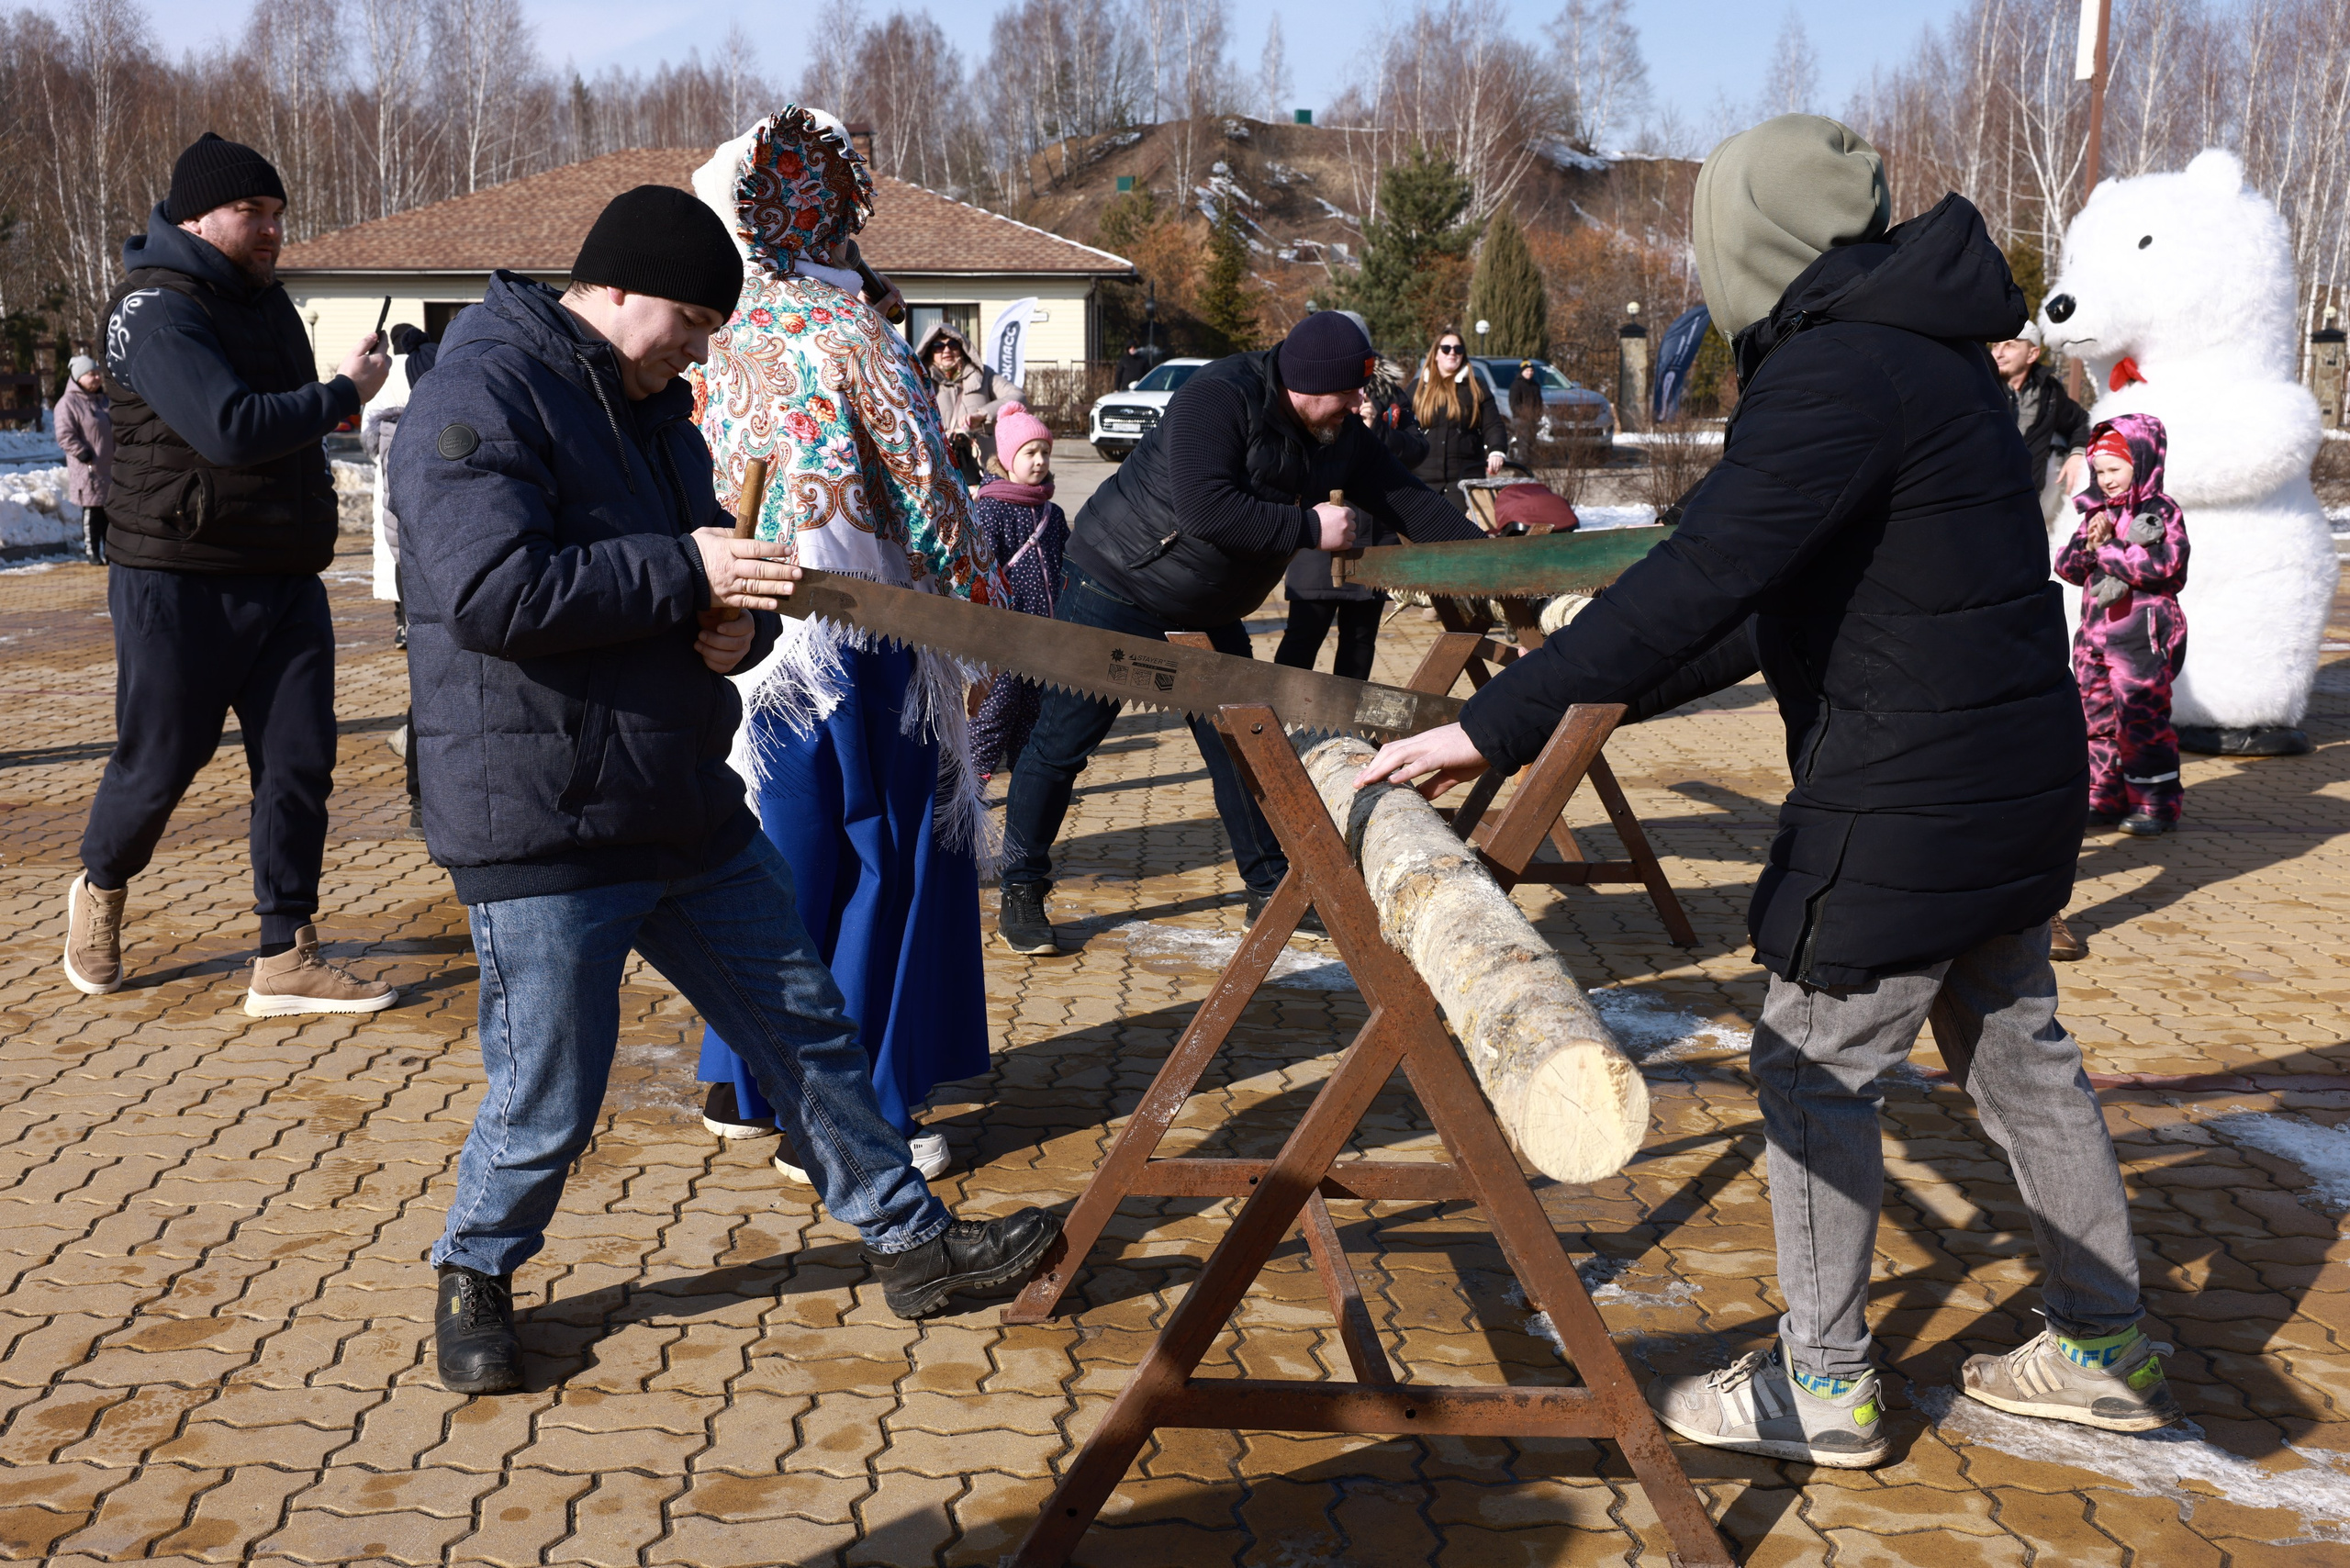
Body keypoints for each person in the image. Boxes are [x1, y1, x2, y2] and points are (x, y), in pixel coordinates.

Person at [1356, 115, 2179, 1467]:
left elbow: (1699, 579)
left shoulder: (1838, 374)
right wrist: (1586, 712)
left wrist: (1493, 727)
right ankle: (2104, 1343)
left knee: (1809, 1068)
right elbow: (1769, 601)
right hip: (2001, 768)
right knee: (2018, 1051)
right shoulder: (1926, 358)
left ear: (1753, 243)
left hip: (1909, 790)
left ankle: (1826, 1384)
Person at [391, 182, 1057, 1392]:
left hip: (678, 796)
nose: (703, 349)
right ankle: (475, 1271)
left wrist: (731, 635)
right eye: (693, 321)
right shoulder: (479, 396)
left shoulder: (652, 411)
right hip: (542, 812)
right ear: (620, 289)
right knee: (550, 1088)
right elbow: (492, 595)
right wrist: (677, 570)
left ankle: (912, 1247)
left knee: (805, 1024)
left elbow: (714, 572)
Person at [682, 108, 1006, 1187]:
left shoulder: (720, 331)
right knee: (879, 861)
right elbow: (931, 500)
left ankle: (741, 1086)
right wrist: (986, 624)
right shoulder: (853, 331)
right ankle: (846, 1112)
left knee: (772, 865)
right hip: (858, 639)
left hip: (741, 637)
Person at [994, 311, 1484, 955]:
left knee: (1244, 747)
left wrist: (1498, 567)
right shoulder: (1219, 396)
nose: (1359, 404)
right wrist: (1310, 529)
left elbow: (1411, 501)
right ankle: (1022, 885)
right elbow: (1206, 506)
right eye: (1350, 391)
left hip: (1206, 606)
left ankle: (1269, 890)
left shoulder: (1336, 433)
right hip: (1118, 582)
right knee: (1063, 742)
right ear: (1311, 385)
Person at [62, 132, 398, 1017]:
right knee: (160, 761)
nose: (271, 230)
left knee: (298, 764)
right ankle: (100, 886)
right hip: (179, 577)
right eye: (252, 212)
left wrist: (329, 409)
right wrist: (342, 394)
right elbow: (230, 427)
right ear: (195, 215)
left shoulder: (268, 305)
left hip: (283, 574)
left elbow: (281, 432)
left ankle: (284, 950)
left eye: (278, 215)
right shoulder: (151, 308)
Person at [2056, 415, 2189, 838]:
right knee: (2094, 718)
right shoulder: (2096, 512)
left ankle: (2156, 802)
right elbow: (2068, 569)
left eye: (2115, 469)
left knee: (2140, 717)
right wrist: (2087, 542)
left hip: (2141, 637)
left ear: (2142, 462)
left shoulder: (2161, 511)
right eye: (2099, 472)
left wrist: (2111, 547)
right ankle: (2104, 793)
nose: (2107, 480)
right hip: (2094, 638)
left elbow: (2165, 565)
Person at [1276, 357, 1425, 681]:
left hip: (1373, 541)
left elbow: (1417, 450)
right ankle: (1271, 720)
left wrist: (1377, 432)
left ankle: (1346, 726)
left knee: (1360, 641)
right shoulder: (1311, 391)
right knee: (1303, 637)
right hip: (1318, 542)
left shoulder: (1391, 393)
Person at [968, 401, 1069, 777]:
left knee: (1034, 714)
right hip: (1005, 635)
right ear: (1008, 459)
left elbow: (1065, 566)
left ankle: (1026, 785)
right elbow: (981, 568)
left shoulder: (1051, 513)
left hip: (1046, 636)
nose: (1040, 460)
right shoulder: (992, 508)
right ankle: (970, 786)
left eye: (1045, 452)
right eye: (1030, 453)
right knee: (995, 711)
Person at [1990, 325, 2089, 526]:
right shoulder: (1979, 385)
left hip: (2027, 506)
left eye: (2010, 345)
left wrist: (2077, 454)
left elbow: (2082, 421)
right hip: (1981, 503)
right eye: (1995, 344)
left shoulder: (2050, 392)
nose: (1998, 353)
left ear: (2032, 354)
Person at [1406, 328, 1511, 512]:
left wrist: (1496, 450)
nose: (1452, 352)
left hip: (1464, 478)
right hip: (1421, 479)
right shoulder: (1417, 388)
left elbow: (1493, 424)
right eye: (1446, 348)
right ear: (1436, 354)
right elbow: (1400, 428)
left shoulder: (1476, 387)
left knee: (1456, 536)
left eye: (1458, 349)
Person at [915, 321, 1019, 486]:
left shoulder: (983, 375)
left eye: (952, 344)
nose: (946, 350)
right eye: (938, 346)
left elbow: (1017, 396)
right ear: (929, 351)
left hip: (985, 470)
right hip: (939, 471)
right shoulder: (920, 381)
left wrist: (983, 414)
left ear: (962, 347)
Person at [55, 354, 112, 565]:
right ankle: (92, 551)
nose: (97, 378)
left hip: (110, 465)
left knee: (110, 510)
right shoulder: (68, 403)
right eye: (91, 374)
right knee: (93, 509)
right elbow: (64, 434)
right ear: (78, 377)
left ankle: (110, 550)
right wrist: (82, 452)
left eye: (98, 373)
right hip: (89, 466)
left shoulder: (104, 399)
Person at [1508, 358, 1544, 463]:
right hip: (1521, 419)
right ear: (1522, 372)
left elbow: (1539, 402)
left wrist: (1537, 415)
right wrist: (1524, 414)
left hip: (1533, 419)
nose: (1529, 373)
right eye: (1527, 371)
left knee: (1532, 444)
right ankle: (1522, 464)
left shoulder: (1535, 385)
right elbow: (1514, 404)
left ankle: (1531, 463)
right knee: (1523, 443)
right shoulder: (1516, 385)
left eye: (1531, 371)